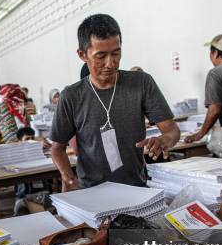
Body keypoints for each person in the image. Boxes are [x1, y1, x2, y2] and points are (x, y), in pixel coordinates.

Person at [50, 14, 180, 191]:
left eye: (116, 53)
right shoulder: (71, 96)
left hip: (137, 187)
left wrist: (164, 140)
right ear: (82, 55)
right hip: (92, 192)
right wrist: (68, 177)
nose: (110, 63)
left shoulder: (141, 83)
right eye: (100, 56)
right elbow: (57, 149)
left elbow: (172, 130)